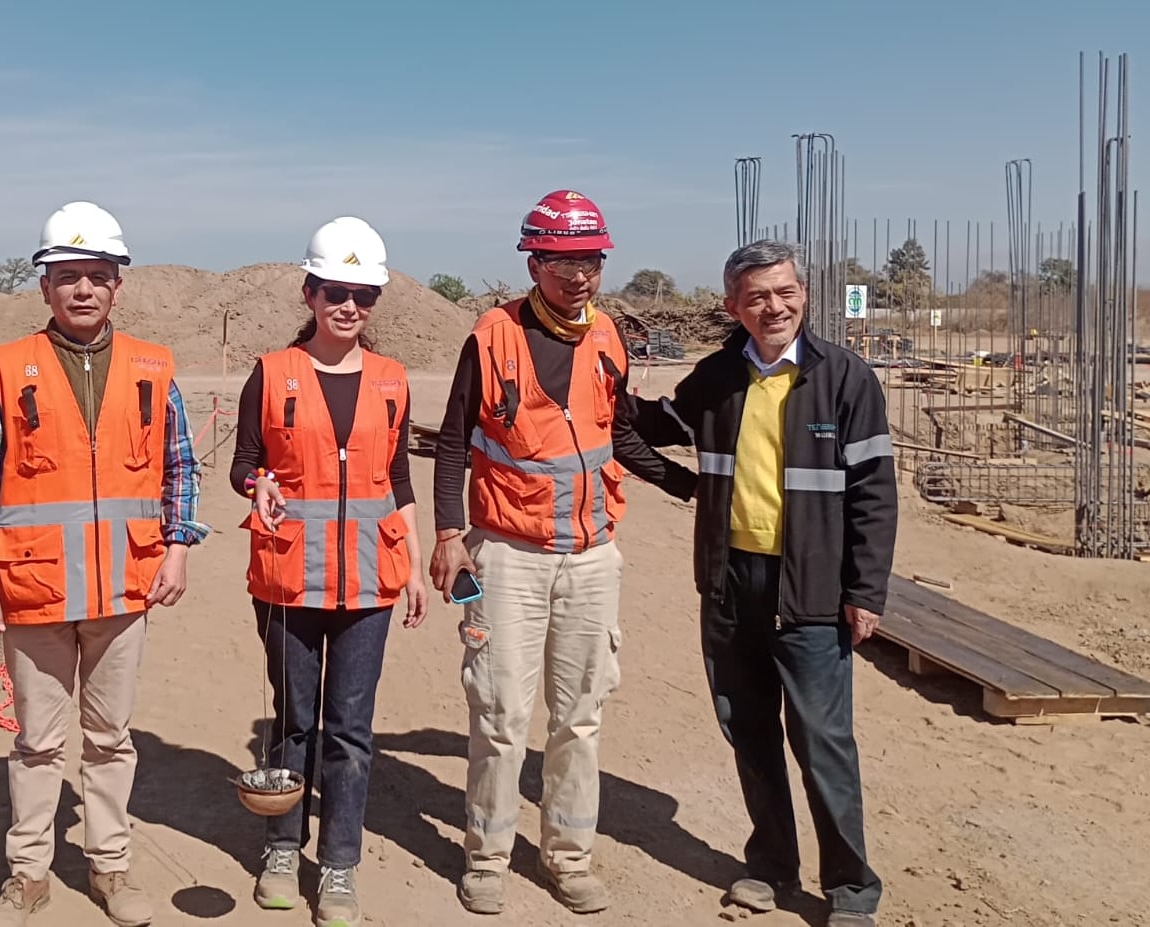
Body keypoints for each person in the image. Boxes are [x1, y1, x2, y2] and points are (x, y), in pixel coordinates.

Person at [428, 190, 697, 916]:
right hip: (507, 555)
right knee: (501, 713)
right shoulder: (491, 336)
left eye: (591, 261)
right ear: (535, 261)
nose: (580, 276)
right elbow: (454, 440)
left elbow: (621, 435)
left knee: (580, 715)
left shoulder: (609, 338)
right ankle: (486, 855)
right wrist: (449, 534)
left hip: (589, 557)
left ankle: (568, 855)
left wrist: (691, 485)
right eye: (564, 262)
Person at [0, 200, 210, 927]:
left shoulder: (151, 367)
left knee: (109, 738)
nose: (84, 290)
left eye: (97, 275)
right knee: (38, 741)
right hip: (30, 588)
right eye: (68, 277)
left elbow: (180, 466)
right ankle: (28, 874)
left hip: (124, 587)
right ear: (45, 286)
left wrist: (179, 546)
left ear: (118, 284)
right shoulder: (8, 367)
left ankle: (110, 866)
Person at [626, 239, 895, 927]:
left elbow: (874, 495)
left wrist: (865, 591)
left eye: (784, 292)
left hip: (809, 591)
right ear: (733, 305)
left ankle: (850, 887)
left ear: (803, 292)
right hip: (728, 583)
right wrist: (601, 381)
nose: (774, 306)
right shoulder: (717, 377)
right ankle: (771, 866)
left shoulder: (845, 379)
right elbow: (660, 425)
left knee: (822, 739)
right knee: (748, 730)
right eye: (757, 296)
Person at [232, 216, 428, 927]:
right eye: (336, 291)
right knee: (294, 722)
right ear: (310, 293)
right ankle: (283, 844)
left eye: (364, 295)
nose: (350, 306)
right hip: (287, 579)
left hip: (370, 582)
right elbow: (242, 462)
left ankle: (339, 864)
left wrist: (409, 565)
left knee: (350, 727)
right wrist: (260, 485)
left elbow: (397, 479)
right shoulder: (273, 371)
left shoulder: (391, 381)